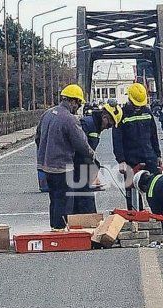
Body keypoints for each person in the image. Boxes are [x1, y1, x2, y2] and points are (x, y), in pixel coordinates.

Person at [36, 84, 95, 231]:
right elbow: (80, 143)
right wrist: (92, 154)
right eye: (78, 103)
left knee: (54, 199)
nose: (78, 107)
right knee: (65, 201)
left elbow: (37, 137)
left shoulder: (47, 114)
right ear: (73, 101)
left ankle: (54, 227)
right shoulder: (69, 119)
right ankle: (61, 230)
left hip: (45, 166)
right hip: (62, 167)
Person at [112, 82, 163, 210]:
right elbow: (117, 140)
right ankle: (135, 217)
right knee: (132, 190)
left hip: (149, 157)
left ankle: (158, 215)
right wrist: (121, 160)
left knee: (156, 188)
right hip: (130, 160)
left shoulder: (147, 112)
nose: (139, 107)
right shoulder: (121, 115)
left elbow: (153, 135)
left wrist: (158, 155)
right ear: (129, 99)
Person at [72, 99, 123, 214]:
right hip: (78, 168)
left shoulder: (95, 126)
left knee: (84, 198)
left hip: (83, 168)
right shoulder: (87, 124)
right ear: (105, 116)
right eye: (110, 123)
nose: (109, 127)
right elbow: (80, 149)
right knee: (83, 199)